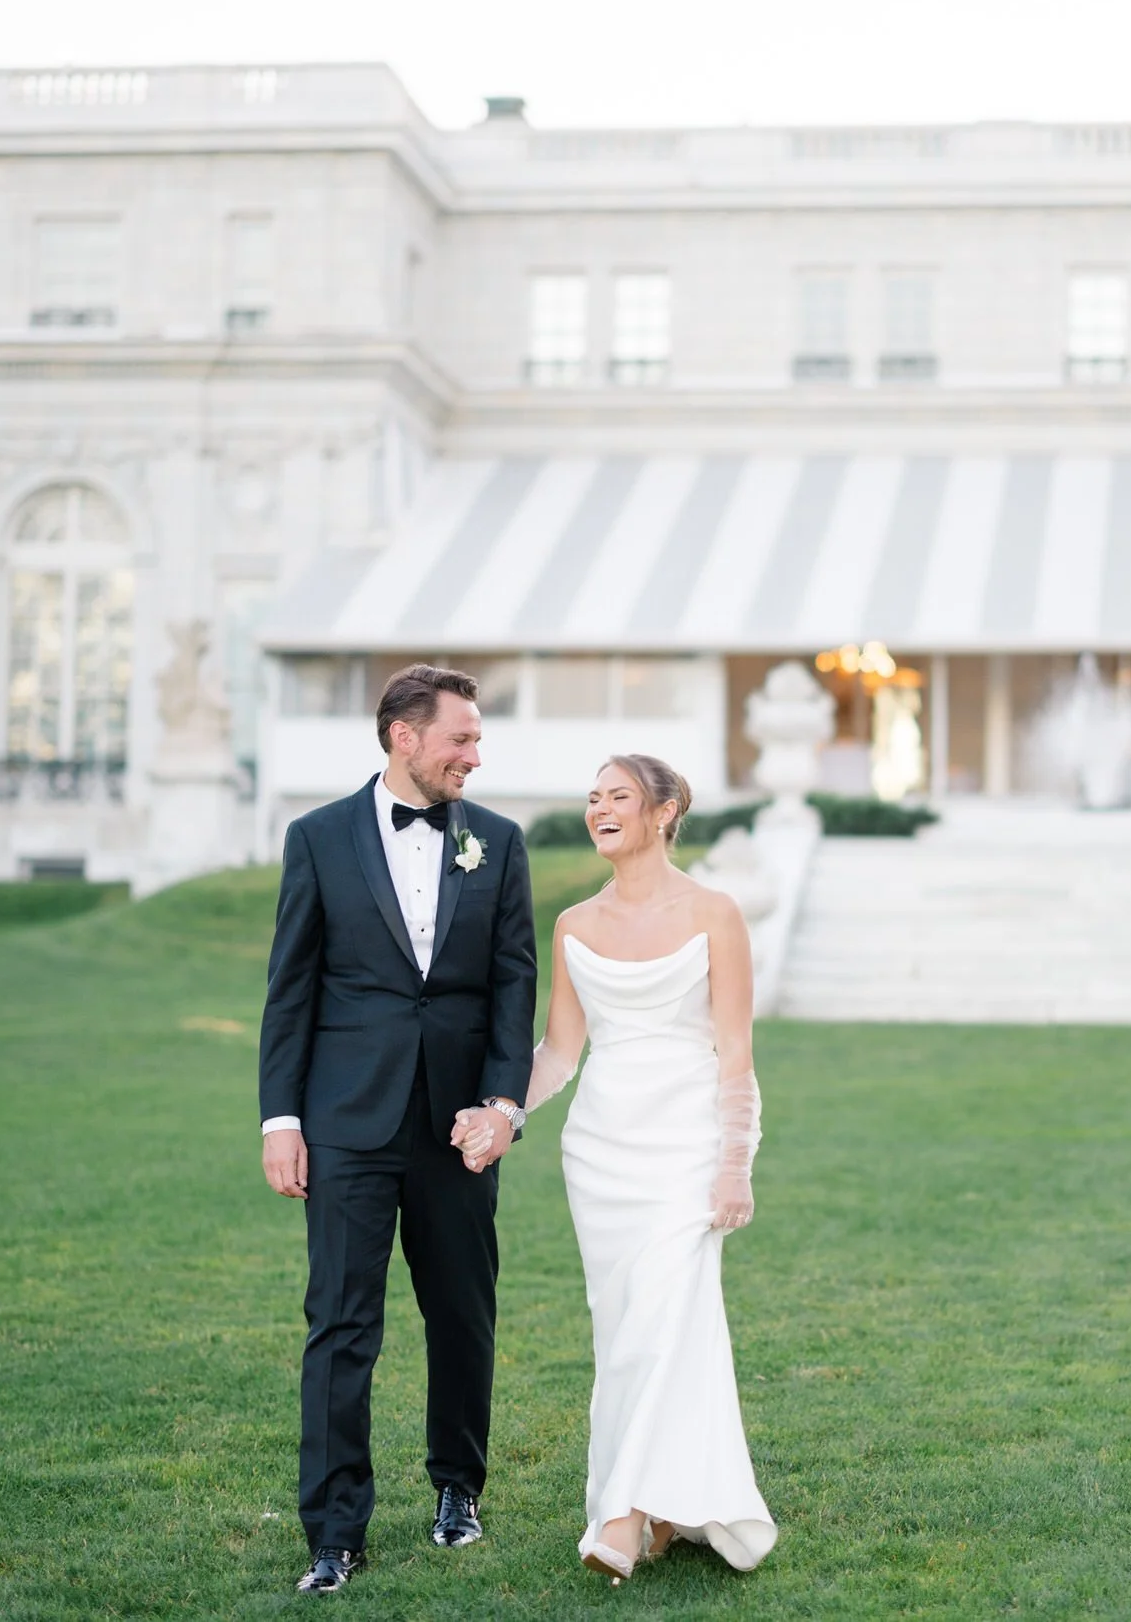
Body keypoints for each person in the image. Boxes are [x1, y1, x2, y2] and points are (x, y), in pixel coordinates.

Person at [456, 753, 776, 1583]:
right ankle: (661, 1507)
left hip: (686, 1145)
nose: (601, 808)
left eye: (619, 796)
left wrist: (735, 1162)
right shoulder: (573, 924)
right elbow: (561, 1050)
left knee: (668, 1314)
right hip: (601, 1151)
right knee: (628, 1328)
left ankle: (623, 1513)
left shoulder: (716, 912)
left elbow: (736, 1052)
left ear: (665, 811)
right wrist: (503, 1110)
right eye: (593, 797)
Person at [256, 663, 537, 1595]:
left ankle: (459, 1486)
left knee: (462, 1314)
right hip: (345, 1122)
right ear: (402, 736)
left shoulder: (498, 842)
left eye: (477, 736)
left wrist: (501, 1106)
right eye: (461, 736)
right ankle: (334, 1533)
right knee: (340, 1323)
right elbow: (290, 989)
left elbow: (512, 986)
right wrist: (282, 1118)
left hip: (458, 1126)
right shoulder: (318, 837)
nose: (475, 752)